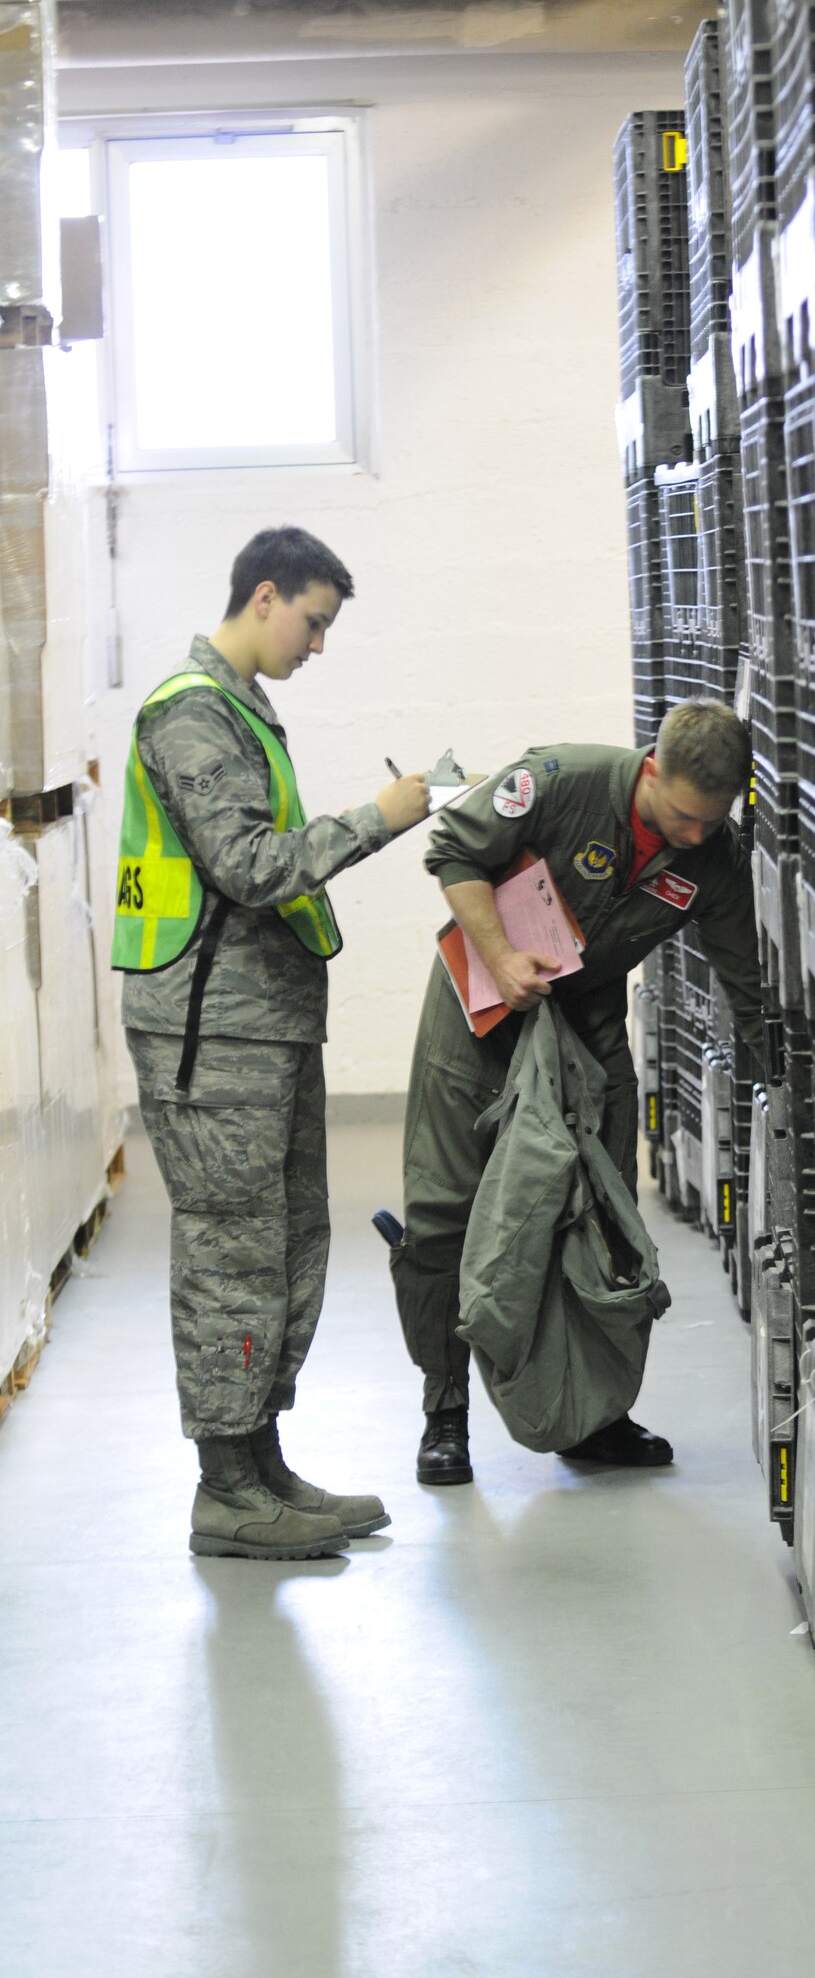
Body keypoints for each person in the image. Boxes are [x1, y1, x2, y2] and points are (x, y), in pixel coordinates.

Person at [114, 525, 431, 1560]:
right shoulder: (189, 713)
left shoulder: (241, 707)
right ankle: (225, 1490)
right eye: (313, 621)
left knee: (288, 1241)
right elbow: (250, 865)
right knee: (231, 1254)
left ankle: (261, 1460)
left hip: (264, 1028)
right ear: (263, 595)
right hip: (212, 1038)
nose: (317, 644)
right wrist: (377, 818)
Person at [391, 698, 765, 1485]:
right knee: (443, 1213)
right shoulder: (561, 780)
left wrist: (780, 1081)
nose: (695, 836)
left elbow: (744, 982)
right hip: (482, 1007)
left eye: (712, 821)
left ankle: (594, 1415)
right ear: (652, 770)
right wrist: (500, 955)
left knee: (603, 1217)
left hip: (585, 1020)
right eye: (684, 817)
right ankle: (444, 1412)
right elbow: (453, 853)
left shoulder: (713, 855)